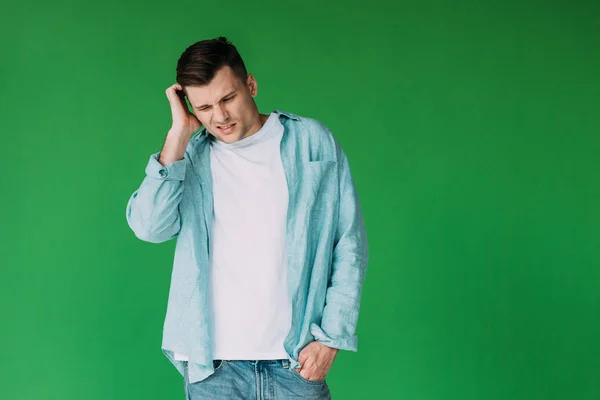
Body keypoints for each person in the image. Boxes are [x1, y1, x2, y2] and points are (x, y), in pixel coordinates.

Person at [125, 36, 369, 400]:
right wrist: (177, 134)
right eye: (204, 107)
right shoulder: (188, 158)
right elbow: (148, 227)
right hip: (214, 369)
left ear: (250, 85)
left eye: (228, 98)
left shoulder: (311, 143)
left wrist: (330, 339)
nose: (219, 116)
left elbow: (348, 242)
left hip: (295, 363)